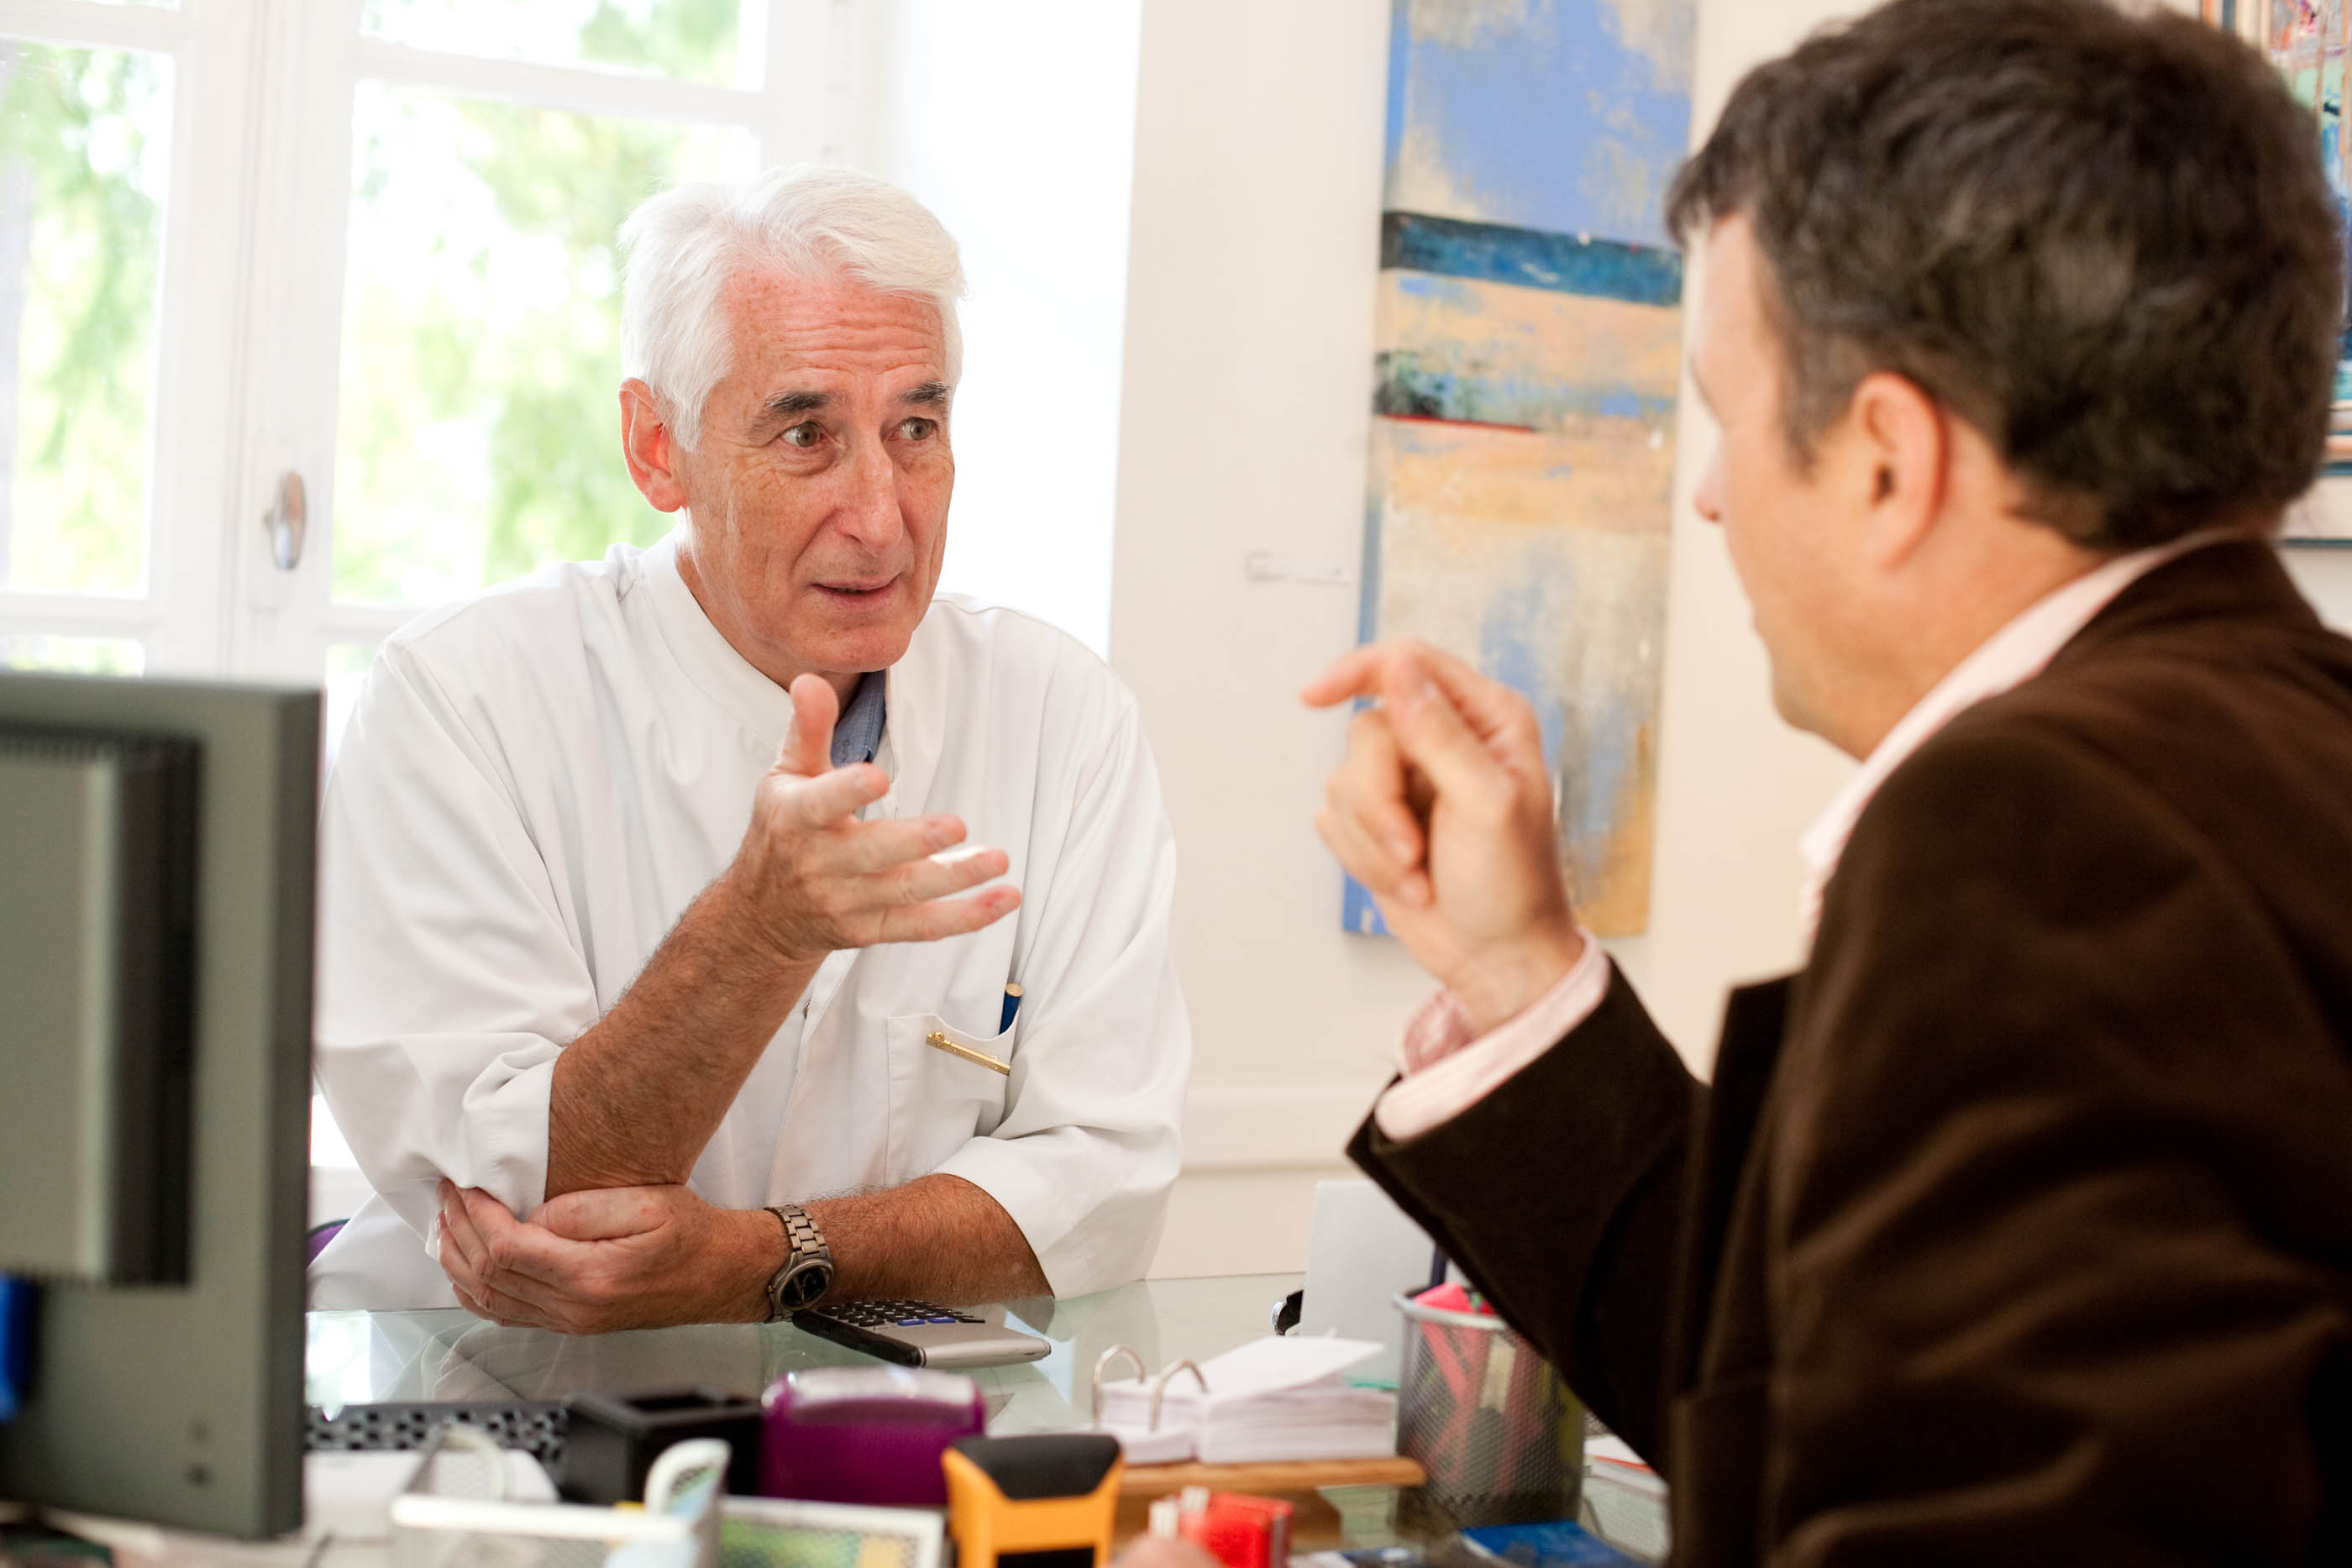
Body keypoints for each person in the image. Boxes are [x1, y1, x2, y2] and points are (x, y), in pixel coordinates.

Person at [1305, 1, 2352, 1560]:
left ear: (1885, 459)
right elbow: (1840, 1399)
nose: (1713, 497)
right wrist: (1518, 975)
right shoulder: (2287, 745)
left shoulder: (2031, 827)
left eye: (1729, 418)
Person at [308, 166, 1190, 1328]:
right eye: (805, 434)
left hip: (880, 1416)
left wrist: (763, 1258)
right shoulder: (460, 700)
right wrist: (758, 930)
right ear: (655, 447)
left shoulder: (1062, 713)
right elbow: (540, 1214)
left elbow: (1106, 1186)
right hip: (485, 1398)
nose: (880, 515)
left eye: (915, 429)